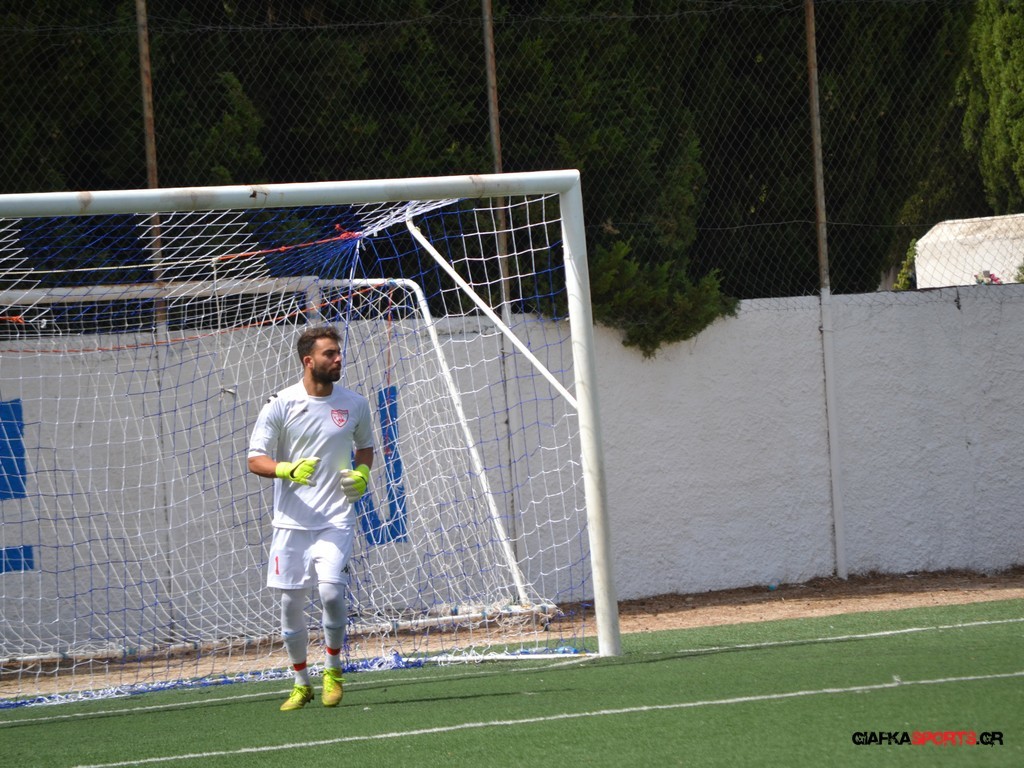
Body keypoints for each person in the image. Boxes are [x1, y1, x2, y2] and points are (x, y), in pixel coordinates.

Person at [247, 325, 374, 711]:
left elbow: (365, 447)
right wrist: (285, 470)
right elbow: (255, 459)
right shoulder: (280, 403)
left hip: (336, 518)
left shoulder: (355, 403)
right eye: (329, 354)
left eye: (338, 352)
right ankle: (301, 682)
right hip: (291, 523)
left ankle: (333, 670)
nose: (338, 359)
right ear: (308, 360)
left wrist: (362, 474)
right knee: (291, 605)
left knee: (331, 593)